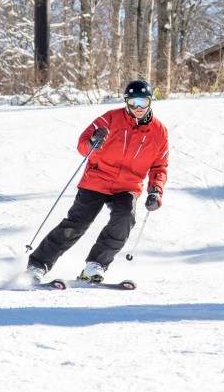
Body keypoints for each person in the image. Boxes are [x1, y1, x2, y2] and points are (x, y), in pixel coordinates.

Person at [26, 79, 169, 283]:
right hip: (97, 179)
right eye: (133, 102)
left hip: (128, 185)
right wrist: (94, 141)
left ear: (150, 102)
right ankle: (37, 264)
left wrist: (156, 190)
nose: (138, 108)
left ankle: (96, 265)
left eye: (143, 102)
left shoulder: (159, 131)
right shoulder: (110, 118)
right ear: (126, 102)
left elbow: (159, 166)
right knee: (77, 224)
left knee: (125, 218)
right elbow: (83, 144)